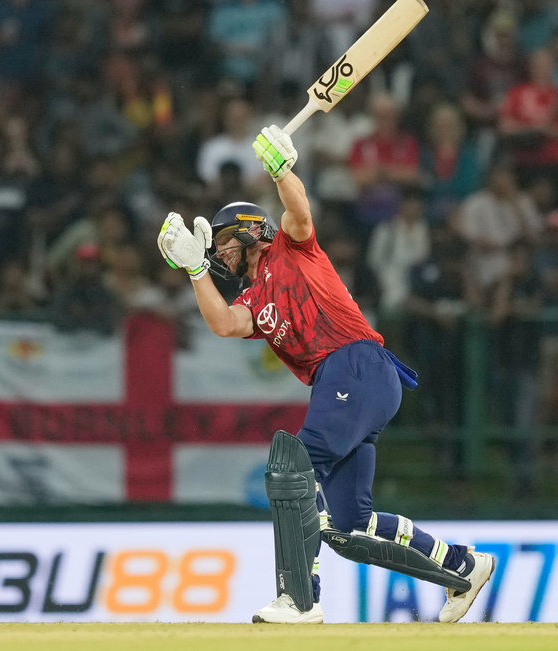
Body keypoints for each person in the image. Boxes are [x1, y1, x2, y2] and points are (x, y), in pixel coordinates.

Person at [157, 124, 494, 624]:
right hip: (352, 382)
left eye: (223, 245)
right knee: (351, 522)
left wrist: (281, 170)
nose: (220, 254)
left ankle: (300, 597)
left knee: (294, 467)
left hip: (354, 362)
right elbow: (225, 323)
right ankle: (464, 564)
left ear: (250, 231)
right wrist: (195, 272)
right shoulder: (252, 298)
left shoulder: (290, 249)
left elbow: (298, 210)